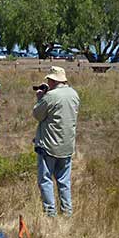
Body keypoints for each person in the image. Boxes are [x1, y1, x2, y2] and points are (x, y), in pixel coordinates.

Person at [32, 66, 80, 217]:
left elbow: (37, 115)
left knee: (46, 179)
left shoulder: (50, 97)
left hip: (49, 145)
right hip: (67, 144)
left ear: (52, 80)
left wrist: (40, 99)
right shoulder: (74, 94)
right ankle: (67, 212)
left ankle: (50, 212)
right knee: (64, 181)